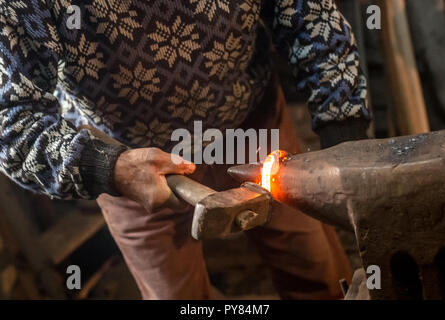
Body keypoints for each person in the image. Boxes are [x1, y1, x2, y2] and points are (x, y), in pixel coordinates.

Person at [0, 0, 371, 299]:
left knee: (319, 276)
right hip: (131, 162)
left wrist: (343, 132)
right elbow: (10, 120)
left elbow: (309, 16)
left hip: (254, 131)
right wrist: (109, 169)